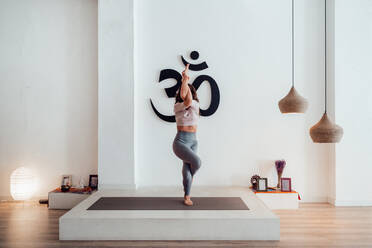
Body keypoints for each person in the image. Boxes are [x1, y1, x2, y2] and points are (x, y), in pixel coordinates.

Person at [172, 64, 202, 206]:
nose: (184, 92)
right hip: (181, 142)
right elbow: (186, 99)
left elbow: (189, 99)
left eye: (189, 90)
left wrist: (186, 82)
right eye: (183, 90)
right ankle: (188, 186)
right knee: (197, 163)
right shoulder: (178, 106)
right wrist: (184, 80)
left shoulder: (196, 104)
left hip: (193, 141)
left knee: (187, 170)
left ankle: (187, 195)